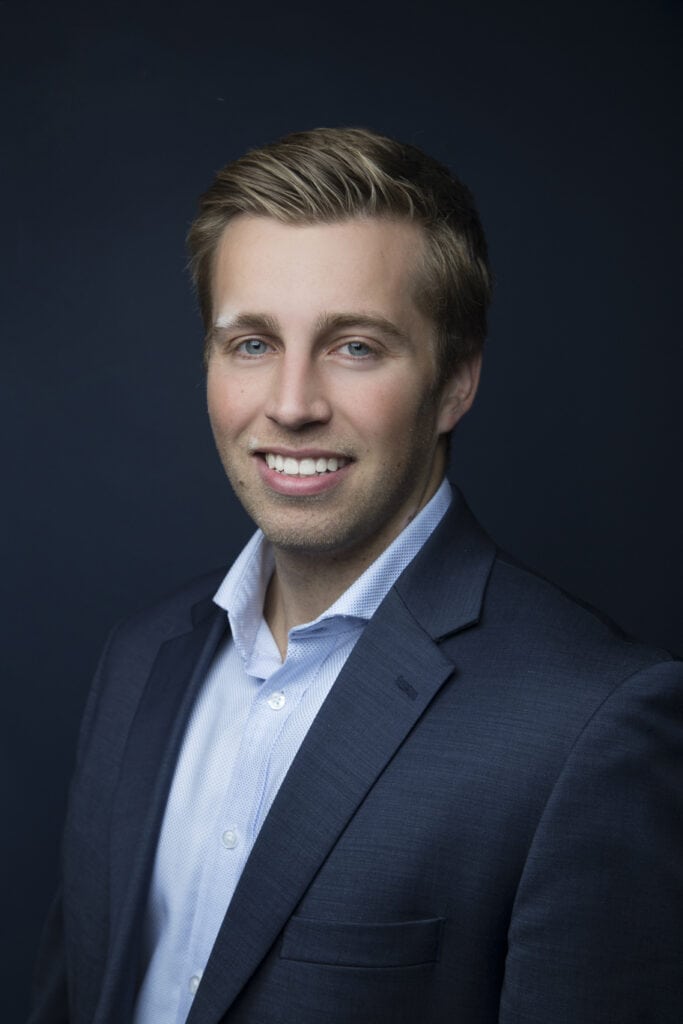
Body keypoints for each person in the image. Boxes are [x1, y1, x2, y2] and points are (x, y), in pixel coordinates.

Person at [28, 128, 682, 1024]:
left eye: (356, 347)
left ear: (454, 382)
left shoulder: (592, 723)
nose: (291, 405)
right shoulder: (140, 659)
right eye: (252, 344)